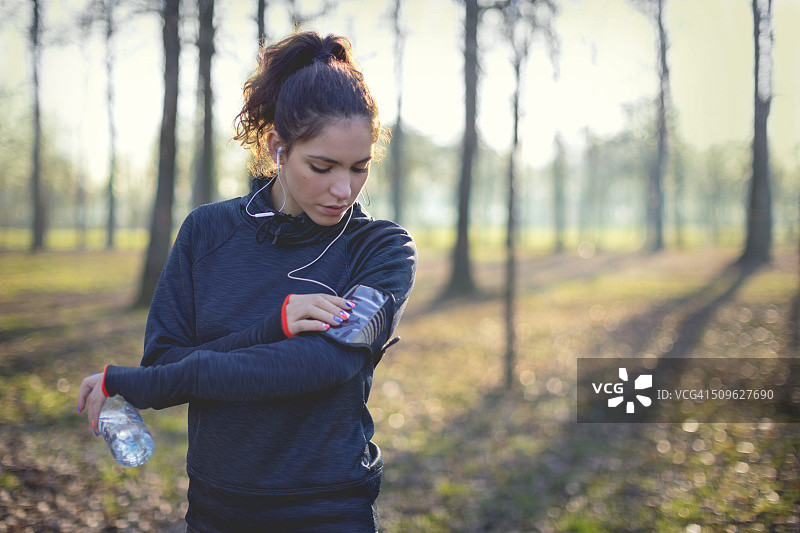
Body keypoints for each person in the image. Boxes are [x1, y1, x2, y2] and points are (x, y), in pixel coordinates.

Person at [77, 31, 416, 532]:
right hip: (217, 510)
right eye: (321, 167)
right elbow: (167, 362)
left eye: (359, 168)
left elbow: (322, 362)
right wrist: (272, 326)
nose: (342, 189)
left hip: (330, 511)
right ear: (278, 147)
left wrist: (130, 383)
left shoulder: (382, 249)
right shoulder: (206, 232)